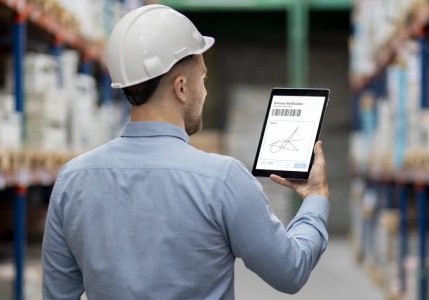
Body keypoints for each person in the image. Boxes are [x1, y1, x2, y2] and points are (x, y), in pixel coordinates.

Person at [42, 4, 330, 299]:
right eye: (202, 80)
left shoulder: (72, 180)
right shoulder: (223, 181)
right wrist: (315, 197)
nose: (204, 92)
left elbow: (57, 294)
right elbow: (290, 270)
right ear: (180, 88)